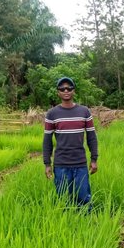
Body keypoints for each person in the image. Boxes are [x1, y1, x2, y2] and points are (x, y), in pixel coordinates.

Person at [43, 77, 98, 210]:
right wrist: (47, 163)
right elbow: (47, 141)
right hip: (61, 164)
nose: (66, 91)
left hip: (80, 163)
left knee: (84, 198)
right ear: (58, 92)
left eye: (69, 88)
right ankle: (67, 226)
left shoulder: (84, 112)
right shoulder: (52, 114)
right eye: (62, 89)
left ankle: (86, 226)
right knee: (63, 200)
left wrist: (94, 159)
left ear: (74, 91)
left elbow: (91, 137)